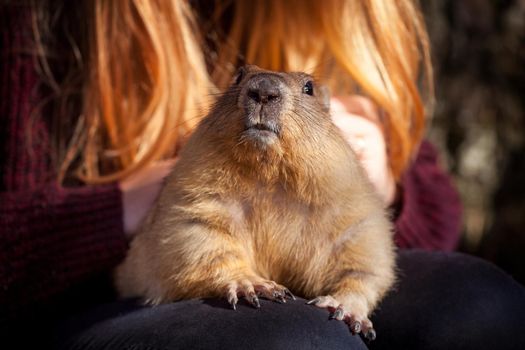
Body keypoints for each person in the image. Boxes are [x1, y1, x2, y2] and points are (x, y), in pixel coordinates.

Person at [1, 1, 524, 349]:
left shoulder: (330, 16)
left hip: (309, 270)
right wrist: (124, 206)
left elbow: (433, 216)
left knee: (478, 303)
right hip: (78, 306)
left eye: (305, 93)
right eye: (242, 86)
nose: (263, 95)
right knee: (295, 338)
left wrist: (387, 179)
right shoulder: (39, 19)